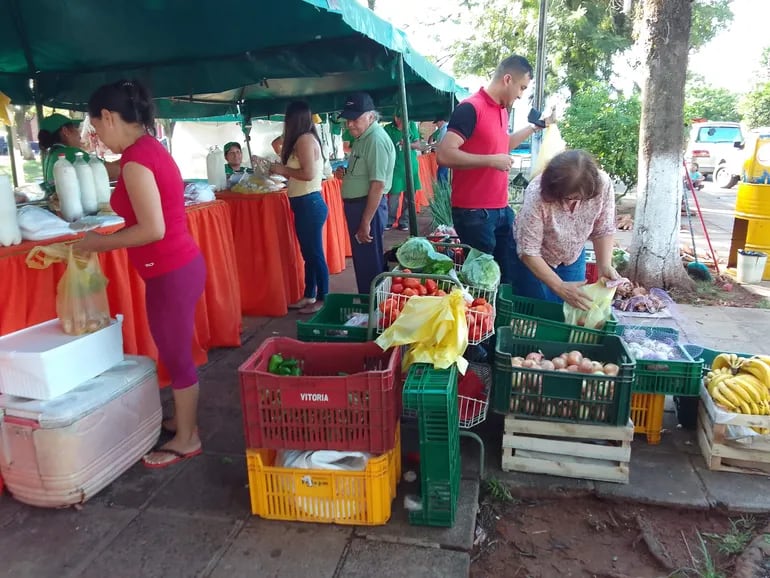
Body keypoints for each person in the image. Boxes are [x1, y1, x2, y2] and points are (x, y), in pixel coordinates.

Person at [76, 79, 206, 468]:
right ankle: (182, 423)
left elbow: (153, 229)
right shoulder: (147, 149)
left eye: (97, 128)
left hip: (170, 269)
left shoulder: (136, 159)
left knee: (176, 353)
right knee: (174, 347)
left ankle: (188, 438)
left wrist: (96, 243)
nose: (99, 137)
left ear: (111, 117)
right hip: (175, 266)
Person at [437, 54, 546, 286]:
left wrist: (533, 128)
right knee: (481, 283)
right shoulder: (470, 108)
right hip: (474, 213)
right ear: (508, 79)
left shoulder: (502, 110)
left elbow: (502, 145)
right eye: (522, 87)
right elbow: (444, 154)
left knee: (505, 277)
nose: (520, 95)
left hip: (500, 209)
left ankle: (499, 321)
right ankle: (481, 321)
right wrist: (490, 161)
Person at [512, 150, 618, 310]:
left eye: (579, 198)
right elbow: (529, 251)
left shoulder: (602, 185)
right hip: (536, 259)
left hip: (572, 256)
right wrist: (559, 286)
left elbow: (603, 229)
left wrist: (604, 266)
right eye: (567, 198)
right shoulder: (536, 194)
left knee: (571, 309)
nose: (572, 203)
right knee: (536, 312)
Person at [269, 101, 330, 314]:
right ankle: (309, 294)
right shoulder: (302, 139)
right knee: (309, 253)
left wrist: (282, 170)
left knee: (314, 254)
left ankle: (323, 297)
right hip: (304, 203)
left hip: (309, 202)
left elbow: (308, 174)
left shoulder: (304, 139)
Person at [338, 92, 396, 294]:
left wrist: (365, 222)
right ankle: (369, 308)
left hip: (367, 207)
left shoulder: (376, 140)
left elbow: (377, 185)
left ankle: (373, 312)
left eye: (355, 119)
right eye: (348, 120)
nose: (350, 125)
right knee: (364, 263)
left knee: (370, 265)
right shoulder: (363, 138)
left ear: (371, 117)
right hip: (360, 206)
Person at [38, 113, 118, 190]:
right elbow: (114, 171)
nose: (79, 133)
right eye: (75, 128)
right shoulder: (70, 153)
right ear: (65, 131)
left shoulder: (52, 155)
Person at [383, 112, 422, 231]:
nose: (399, 119)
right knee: (393, 196)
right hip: (395, 167)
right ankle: (390, 220)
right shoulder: (388, 128)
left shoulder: (411, 126)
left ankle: (404, 221)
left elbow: (418, 144)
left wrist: (407, 144)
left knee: (409, 197)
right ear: (395, 117)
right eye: (397, 116)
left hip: (411, 167)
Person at [430, 117, 450, 184]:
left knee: (441, 175)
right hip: (445, 155)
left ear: (441, 121)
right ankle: (445, 191)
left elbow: (440, 143)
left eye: (437, 123)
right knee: (443, 174)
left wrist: (430, 146)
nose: (436, 125)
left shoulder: (444, 130)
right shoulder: (444, 129)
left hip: (444, 156)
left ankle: (443, 192)